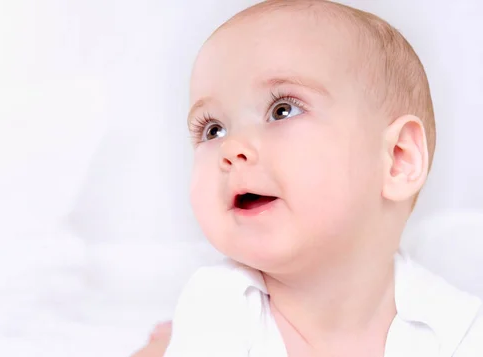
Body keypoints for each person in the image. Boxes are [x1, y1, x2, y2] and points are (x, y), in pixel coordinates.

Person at [137, 0, 483, 356]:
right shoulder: (219, 309)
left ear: (397, 159)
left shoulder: (456, 328)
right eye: (212, 130)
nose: (231, 147)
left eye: (282, 110)